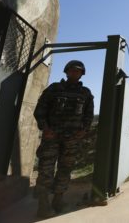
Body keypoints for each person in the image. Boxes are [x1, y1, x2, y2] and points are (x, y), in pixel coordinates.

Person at [33, 60, 94, 218]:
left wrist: (84, 130)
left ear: (82, 74)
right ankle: (43, 204)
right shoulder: (54, 89)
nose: (75, 73)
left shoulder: (85, 93)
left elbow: (88, 115)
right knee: (46, 169)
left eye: (78, 71)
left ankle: (58, 200)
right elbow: (40, 110)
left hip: (72, 139)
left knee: (65, 169)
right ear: (66, 72)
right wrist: (45, 128)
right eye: (72, 70)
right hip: (51, 137)